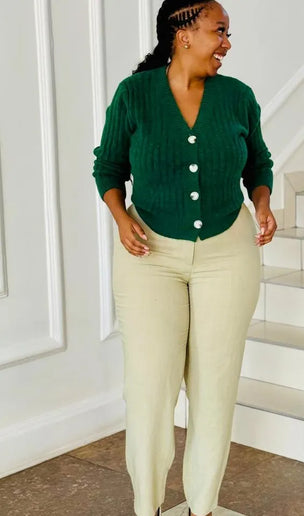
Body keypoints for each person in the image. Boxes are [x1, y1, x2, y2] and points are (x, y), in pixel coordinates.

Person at [92, 1, 276, 515]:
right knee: (149, 391)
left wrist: (263, 203)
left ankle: (202, 508)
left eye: (228, 34)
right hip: (148, 253)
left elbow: (259, 164)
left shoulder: (238, 97)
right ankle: (147, 508)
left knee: (214, 390)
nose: (227, 43)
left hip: (229, 253)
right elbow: (108, 167)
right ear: (183, 34)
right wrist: (120, 217)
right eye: (219, 31)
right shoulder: (134, 95)